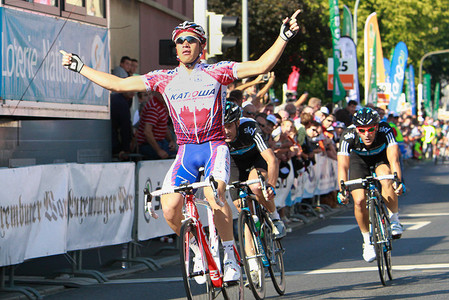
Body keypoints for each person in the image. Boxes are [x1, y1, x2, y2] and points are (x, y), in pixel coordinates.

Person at [60, 9, 301, 282]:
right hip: (187, 151)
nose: (185, 44)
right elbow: (118, 84)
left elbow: (260, 66)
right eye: (180, 41)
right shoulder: (164, 78)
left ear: (202, 46)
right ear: (175, 48)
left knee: (215, 194)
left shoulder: (217, 71)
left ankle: (230, 255)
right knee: (170, 208)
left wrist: (283, 37)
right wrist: (80, 67)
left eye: (191, 39)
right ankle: (198, 250)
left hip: (213, 146)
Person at [337, 107, 405, 263]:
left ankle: (394, 219)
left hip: (380, 160)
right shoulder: (348, 135)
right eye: (362, 130)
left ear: (377, 127)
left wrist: (398, 181)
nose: (366, 134)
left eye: (370, 130)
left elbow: (394, 159)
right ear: (356, 129)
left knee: (386, 178)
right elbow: (342, 166)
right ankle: (367, 241)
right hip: (358, 163)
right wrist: (342, 190)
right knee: (359, 200)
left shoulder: (385, 129)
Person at [223, 101, 285, 239]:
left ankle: (275, 218)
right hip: (235, 165)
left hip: (255, 159)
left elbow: (272, 160)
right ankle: (253, 256)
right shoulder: (216, 135)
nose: (226, 131)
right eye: (223, 127)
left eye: (229, 126)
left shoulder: (250, 127)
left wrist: (271, 186)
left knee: (256, 186)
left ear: (237, 123)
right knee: (242, 210)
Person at [136, 92, 177, 160]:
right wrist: (159, 151)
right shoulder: (153, 107)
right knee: (173, 157)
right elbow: (147, 132)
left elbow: (164, 125)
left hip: (160, 141)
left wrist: (171, 141)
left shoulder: (161, 105)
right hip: (148, 145)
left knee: (175, 155)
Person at [110, 91, 134, 160]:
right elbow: (125, 127)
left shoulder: (123, 100)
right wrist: (126, 149)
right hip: (113, 140)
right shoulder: (121, 102)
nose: (132, 92)